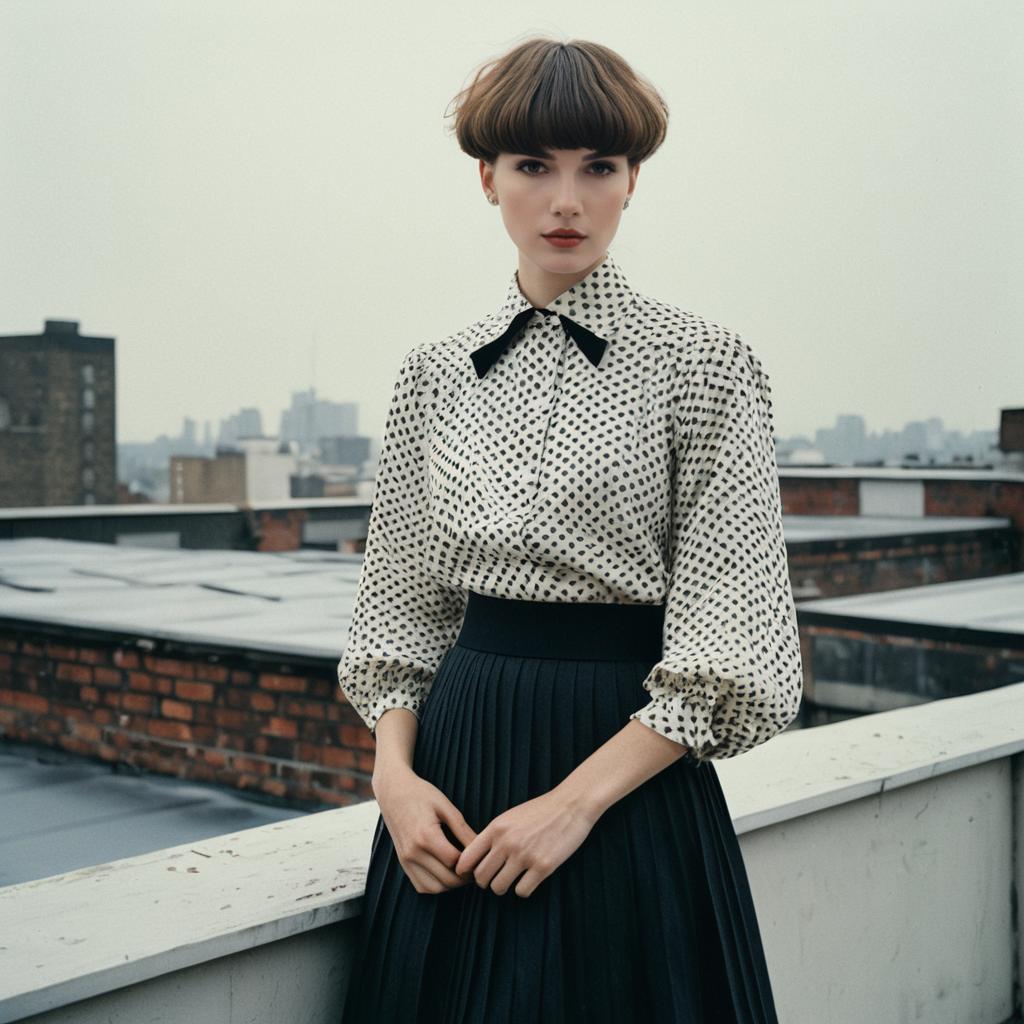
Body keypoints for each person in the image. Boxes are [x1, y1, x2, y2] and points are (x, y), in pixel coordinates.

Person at [336, 35, 803, 1024]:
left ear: (633, 181)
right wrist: (395, 782)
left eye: (598, 167)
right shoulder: (432, 371)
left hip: (625, 776)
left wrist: (575, 803)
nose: (565, 201)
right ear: (487, 179)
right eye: (533, 166)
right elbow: (401, 611)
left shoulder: (705, 365)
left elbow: (737, 636)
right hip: (451, 771)